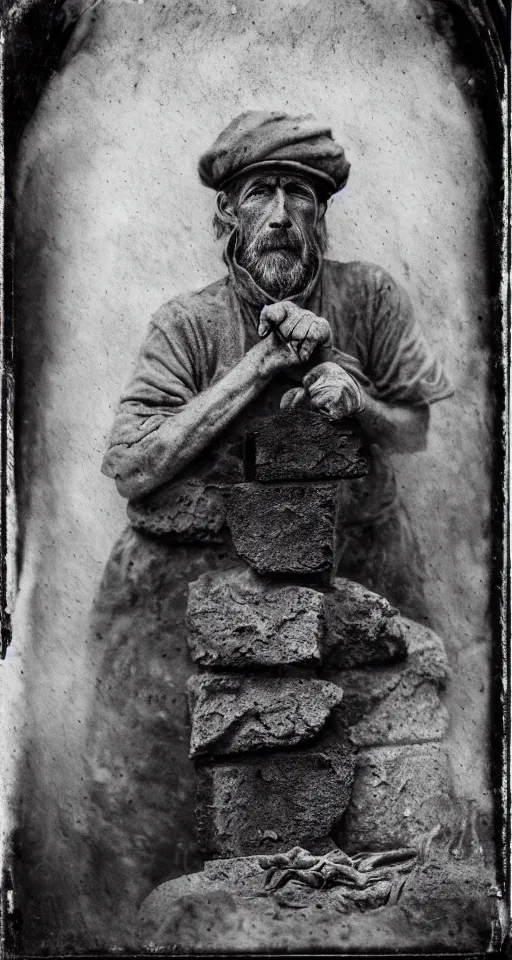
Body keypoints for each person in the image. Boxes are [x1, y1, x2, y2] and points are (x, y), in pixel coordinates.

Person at [85, 111, 453, 935]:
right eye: (261, 194)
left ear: (323, 213)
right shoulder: (187, 324)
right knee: (161, 824)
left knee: (366, 817)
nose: (281, 215)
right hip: (190, 591)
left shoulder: (367, 297)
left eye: (300, 194)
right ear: (228, 217)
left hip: (355, 571)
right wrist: (262, 367)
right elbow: (132, 464)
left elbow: (416, 426)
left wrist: (356, 399)